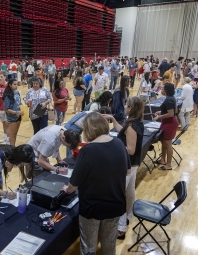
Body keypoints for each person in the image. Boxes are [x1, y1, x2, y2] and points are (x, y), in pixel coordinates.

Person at [61, 112, 130, 255]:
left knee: (89, 246)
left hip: (92, 207)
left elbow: (74, 184)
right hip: (115, 203)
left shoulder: (87, 151)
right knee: (109, 243)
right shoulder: (119, 143)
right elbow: (127, 171)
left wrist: (67, 189)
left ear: (88, 129)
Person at [103, 97, 144, 239]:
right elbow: (123, 132)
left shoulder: (132, 125)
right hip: (133, 164)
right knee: (129, 191)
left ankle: (120, 229)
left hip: (127, 164)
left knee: (119, 195)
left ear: (131, 108)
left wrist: (113, 144)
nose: (125, 106)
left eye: (127, 105)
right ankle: (128, 215)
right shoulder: (135, 122)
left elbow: (130, 150)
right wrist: (113, 119)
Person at [154, 83, 179, 170]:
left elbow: (171, 114)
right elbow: (174, 110)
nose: (161, 89)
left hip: (170, 123)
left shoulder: (168, 100)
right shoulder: (171, 98)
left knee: (168, 144)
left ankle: (168, 165)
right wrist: (161, 112)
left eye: (163, 88)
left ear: (166, 90)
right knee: (163, 142)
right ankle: (162, 159)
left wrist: (159, 117)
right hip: (167, 122)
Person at [3, 79, 24, 146]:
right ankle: (12, 149)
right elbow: (6, 109)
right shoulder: (7, 95)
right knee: (12, 135)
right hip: (12, 118)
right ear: (10, 85)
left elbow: (19, 102)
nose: (16, 86)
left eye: (17, 84)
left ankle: (13, 148)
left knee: (15, 134)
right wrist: (16, 112)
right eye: (14, 84)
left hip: (18, 116)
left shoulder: (17, 92)